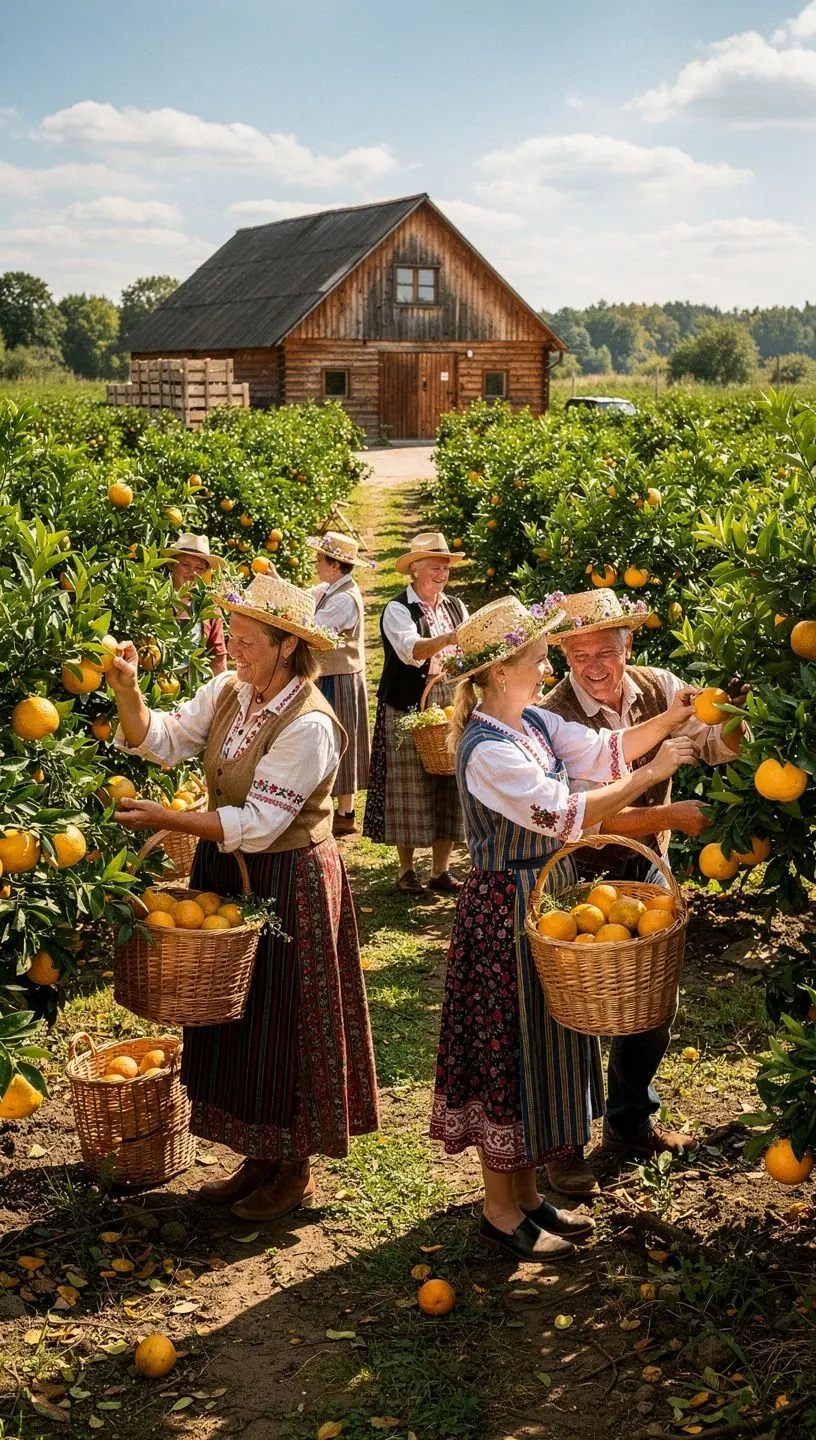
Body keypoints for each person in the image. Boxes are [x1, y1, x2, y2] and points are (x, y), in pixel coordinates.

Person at [430, 595, 698, 1258]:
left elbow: (606, 748)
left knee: (542, 1051)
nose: (546, 665)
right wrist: (656, 774)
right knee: (509, 1056)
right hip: (504, 911)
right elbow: (564, 814)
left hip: (545, 901)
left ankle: (527, 1199)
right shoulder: (487, 749)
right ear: (500, 672)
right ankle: (500, 1211)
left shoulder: (532, 723)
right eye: (536, 656)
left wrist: (674, 717)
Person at [107, 572, 380, 1222]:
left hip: (289, 879)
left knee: (287, 1020)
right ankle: (258, 1157)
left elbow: (260, 824)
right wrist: (128, 691)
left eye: (248, 640)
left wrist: (168, 820)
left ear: (288, 646)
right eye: (232, 635)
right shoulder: (232, 690)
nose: (234, 649)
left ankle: (295, 1168)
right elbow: (164, 739)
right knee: (239, 1020)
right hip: (226, 872)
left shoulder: (309, 724)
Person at [542, 587, 746, 1163]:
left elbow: (718, 747)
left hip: (648, 864)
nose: (594, 667)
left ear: (628, 645)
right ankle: (566, 1140)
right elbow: (586, 819)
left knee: (652, 1001)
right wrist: (672, 817)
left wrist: (735, 712)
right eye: (579, 656)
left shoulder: (660, 688)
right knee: (578, 1008)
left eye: (605, 652)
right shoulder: (554, 716)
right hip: (579, 873)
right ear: (563, 657)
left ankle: (629, 1121)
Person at [363, 532, 469, 896]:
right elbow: (413, 651)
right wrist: (449, 639)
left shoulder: (455, 606)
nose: (442, 574)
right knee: (408, 785)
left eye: (446, 569)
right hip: (408, 703)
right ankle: (406, 870)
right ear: (415, 570)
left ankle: (441, 870)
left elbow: (470, 651)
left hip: (451, 698)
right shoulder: (398, 609)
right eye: (434, 568)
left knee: (449, 783)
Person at [306, 530, 374, 837]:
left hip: (340, 677)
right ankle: (340, 809)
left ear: (335, 566)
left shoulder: (344, 600)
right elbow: (307, 597)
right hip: (332, 674)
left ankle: (345, 812)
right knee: (334, 739)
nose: (316, 563)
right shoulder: (330, 589)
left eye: (320, 559)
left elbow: (314, 629)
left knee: (340, 740)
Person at [164, 533, 228, 676]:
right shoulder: (154, 600)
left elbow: (218, 660)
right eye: (185, 564)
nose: (192, 573)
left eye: (199, 568)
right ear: (172, 565)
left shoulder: (209, 608)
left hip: (193, 685)